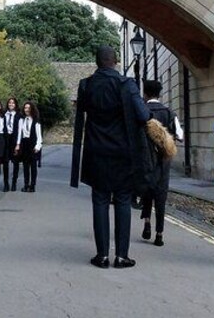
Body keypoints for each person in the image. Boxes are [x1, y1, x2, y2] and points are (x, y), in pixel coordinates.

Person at [70, 45, 153, 270]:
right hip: (123, 153)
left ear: (97, 62)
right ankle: (122, 256)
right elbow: (143, 115)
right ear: (115, 61)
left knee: (100, 200)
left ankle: (102, 256)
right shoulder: (126, 84)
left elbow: (83, 113)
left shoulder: (86, 85)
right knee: (123, 200)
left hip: (96, 151)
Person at [140, 79, 181, 247]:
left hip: (146, 158)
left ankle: (147, 223)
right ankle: (159, 234)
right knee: (161, 195)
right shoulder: (169, 112)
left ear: (145, 93)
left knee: (147, 191)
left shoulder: (142, 111)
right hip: (164, 160)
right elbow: (180, 134)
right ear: (159, 93)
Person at [15, 101, 43, 192]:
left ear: (32, 109)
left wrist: (37, 146)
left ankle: (32, 185)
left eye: (28, 108)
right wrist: (18, 144)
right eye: (25, 108)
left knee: (33, 166)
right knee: (25, 166)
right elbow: (20, 133)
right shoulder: (22, 120)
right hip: (24, 144)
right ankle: (26, 184)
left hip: (33, 144)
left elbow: (39, 136)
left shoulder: (36, 121)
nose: (26, 110)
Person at [3, 97, 20, 192]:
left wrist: (18, 143)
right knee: (5, 163)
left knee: (15, 163)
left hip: (14, 139)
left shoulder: (19, 115)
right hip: (6, 139)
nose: (11, 104)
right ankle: (6, 183)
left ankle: (14, 182)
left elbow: (20, 130)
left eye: (13, 103)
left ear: (16, 104)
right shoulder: (4, 114)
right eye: (9, 102)